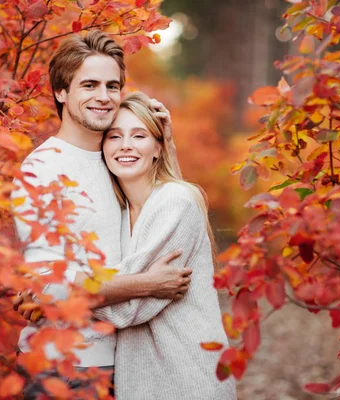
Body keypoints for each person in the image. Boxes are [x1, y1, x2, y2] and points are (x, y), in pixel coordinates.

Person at [10, 31, 191, 397]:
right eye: (89, 85)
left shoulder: (116, 157)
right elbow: (51, 288)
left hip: (124, 364)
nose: (104, 97)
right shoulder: (42, 170)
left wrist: (166, 144)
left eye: (112, 85)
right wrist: (148, 284)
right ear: (62, 92)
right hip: (61, 369)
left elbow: (170, 217)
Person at [88, 92, 237, 399]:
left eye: (139, 135)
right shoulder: (116, 213)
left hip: (188, 379)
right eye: (114, 136)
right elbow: (119, 287)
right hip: (142, 383)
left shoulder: (176, 202)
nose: (125, 145)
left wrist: (57, 293)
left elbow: (127, 308)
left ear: (158, 147)